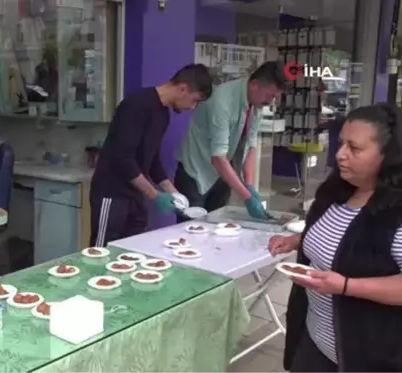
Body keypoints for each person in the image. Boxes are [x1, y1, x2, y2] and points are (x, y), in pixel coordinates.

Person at [268, 104, 402, 372]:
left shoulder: (394, 213)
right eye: (341, 143)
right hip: (314, 340)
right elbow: (340, 239)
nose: (340, 155)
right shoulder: (336, 191)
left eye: (355, 148)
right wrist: (298, 241)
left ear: (387, 155)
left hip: (368, 357)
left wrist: (346, 286)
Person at [89, 64, 213, 247]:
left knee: (130, 251)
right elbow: (123, 158)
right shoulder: (136, 105)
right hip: (112, 194)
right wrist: (155, 195)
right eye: (195, 100)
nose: (192, 107)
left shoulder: (163, 114)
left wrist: (173, 193)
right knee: (101, 252)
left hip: (135, 195)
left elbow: (152, 159)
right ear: (183, 89)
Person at [174, 61, 286, 221]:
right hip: (196, 171)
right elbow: (218, 158)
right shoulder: (222, 100)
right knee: (191, 232)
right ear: (254, 85)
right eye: (270, 95)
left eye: (275, 97)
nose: (271, 101)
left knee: (218, 229)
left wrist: (249, 186)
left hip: (222, 173)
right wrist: (247, 198)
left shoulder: (256, 104)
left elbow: (251, 146)